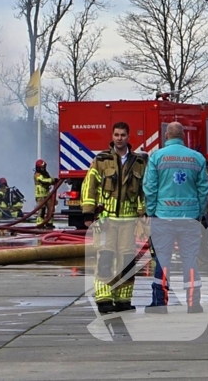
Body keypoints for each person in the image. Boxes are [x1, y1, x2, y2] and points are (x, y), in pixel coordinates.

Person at [81, 121, 148, 315]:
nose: (119, 138)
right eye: (116, 135)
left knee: (127, 262)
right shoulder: (101, 160)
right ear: (112, 136)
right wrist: (88, 213)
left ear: (129, 137)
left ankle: (123, 300)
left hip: (129, 221)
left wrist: (144, 214)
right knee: (105, 259)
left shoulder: (140, 163)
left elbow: (145, 190)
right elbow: (89, 186)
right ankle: (104, 299)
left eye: (123, 135)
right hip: (106, 219)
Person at [143, 122, 208, 314]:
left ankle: (160, 303)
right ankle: (193, 303)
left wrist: (151, 212)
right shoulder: (197, 158)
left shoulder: (157, 157)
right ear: (183, 136)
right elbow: (204, 189)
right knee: (190, 260)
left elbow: (149, 188)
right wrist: (198, 211)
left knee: (162, 260)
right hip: (190, 217)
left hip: (163, 217)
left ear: (166, 136)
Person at [34, 159, 56, 228]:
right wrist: (52, 180)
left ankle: (49, 222)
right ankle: (40, 223)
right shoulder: (37, 174)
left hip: (47, 194)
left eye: (44, 167)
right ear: (38, 168)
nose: (43, 169)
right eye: (42, 167)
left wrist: (53, 180)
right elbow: (43, 180)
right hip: (40, 195)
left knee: (51, 208)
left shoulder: (46, 174)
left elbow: (49, 180)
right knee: (42, 209)